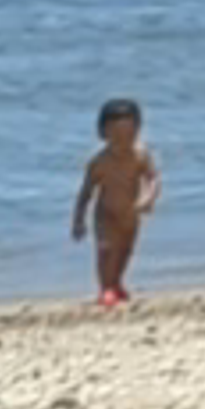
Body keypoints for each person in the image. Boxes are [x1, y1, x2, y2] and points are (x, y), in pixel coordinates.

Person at [72, 101, 160, 308]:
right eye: (117, 136)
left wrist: (149, 197)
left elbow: (152, 178)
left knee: (125, 251)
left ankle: (117, 282)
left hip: (131, 213)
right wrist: (78, 220)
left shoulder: (140, 156)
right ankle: (106, 288)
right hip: (106, 214)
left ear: (138, 130)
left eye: (129, 135)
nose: (123, 142)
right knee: (106, 251)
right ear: (103, 134)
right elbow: (86, 193)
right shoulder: (99, 163)